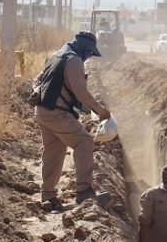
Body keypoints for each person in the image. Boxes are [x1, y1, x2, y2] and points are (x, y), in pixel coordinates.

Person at [28, 31, 111, 211]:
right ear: (86, 48)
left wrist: (36, 91)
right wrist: (100, 110)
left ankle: (48, 196)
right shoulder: (74, 61)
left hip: (42, 112)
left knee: (53, 151)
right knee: (85, 142)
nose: (89, 57)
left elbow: (38, 79)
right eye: (89, 53)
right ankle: (84, 192)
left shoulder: (56, 55)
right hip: (57, 114)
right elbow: (81, 92)